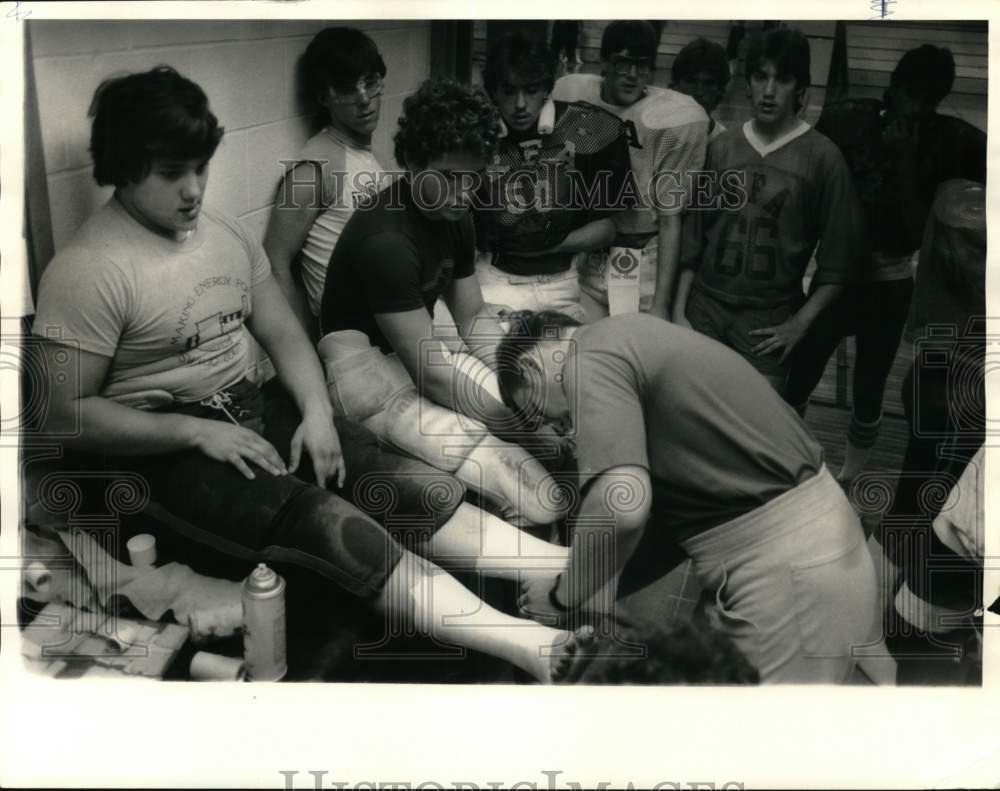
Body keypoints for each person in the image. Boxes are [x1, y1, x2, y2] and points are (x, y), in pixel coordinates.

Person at [30, 66, 584, 683]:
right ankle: (534, 649)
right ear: (123, 166)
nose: (193, 190)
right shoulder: (85, 270)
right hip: (166, 447)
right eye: (170, 174)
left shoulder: (221, 235)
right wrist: (193, 434)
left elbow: (285, 334)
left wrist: (318, 413)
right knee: (333, 525)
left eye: (201, 168)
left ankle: (564, 567)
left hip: (254, 404)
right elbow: (61, 414)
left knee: (396, 480)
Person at [498, 310, 886, 683]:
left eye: (540, 416)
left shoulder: (587, 356)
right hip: (814, 558)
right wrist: (583, 582)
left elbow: (622, 505)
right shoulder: (633, 340)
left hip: (794, 577)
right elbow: (671, 532)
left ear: (532, 367)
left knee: (752, 741)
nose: (560, 431)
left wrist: (564, 596)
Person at [318, 78, 571, 529]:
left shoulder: (455, 213)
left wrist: (522, 387)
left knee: (542, 421)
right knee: (537, 496)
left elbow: (473, 318)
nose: (462, 192)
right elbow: (434, 376)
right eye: (449, 177)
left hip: (415, 352)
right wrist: (521, 425)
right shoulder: (386, 240)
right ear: (413, 162)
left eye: (472, 178)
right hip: (366, 379)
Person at [783, 45, 987, 483]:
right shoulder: (848, 121)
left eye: (925, 100)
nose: (912, 109)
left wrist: (905, 160)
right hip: (837, 275)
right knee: (800, 374)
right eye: (908, 94)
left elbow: (917, 229)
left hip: (889, 279)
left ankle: (850, 477)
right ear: (891, 89)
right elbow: (813, 191)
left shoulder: (949, 142)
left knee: (870, 385)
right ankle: (784, 458)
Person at [675, 27, 864, 395]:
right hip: (704, 307)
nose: (769, 89)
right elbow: (693, 238)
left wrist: (800, 323)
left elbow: (839, 263)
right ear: (747, 83)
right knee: (689, 422)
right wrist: (679, 312)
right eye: (761, 76)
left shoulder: (824, 159)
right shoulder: (722, 147)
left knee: (752, 435)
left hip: (768, 318)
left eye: (783, 79)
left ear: (801, 89)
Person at [553, 20, 709, 320]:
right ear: (605, 63)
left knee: (636, 351)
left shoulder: (675, 117)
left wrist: (662, 304)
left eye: (642, 65)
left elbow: (670, 218)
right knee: (584, 346)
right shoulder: (571, 93)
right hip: (588, 253)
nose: (633, 75)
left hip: (643, 256)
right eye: (623, 63)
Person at [474, 33, 632, 321]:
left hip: (562, 280)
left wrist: (547, 244)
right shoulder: (476, 134)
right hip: (495, 278)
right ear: (493, 92)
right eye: (508, 91)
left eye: (531, 89)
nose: (520, 104)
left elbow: (609, 227)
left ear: (547, 87)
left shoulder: (590, 128)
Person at [263, 27, 392, 339]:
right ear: (324, 97)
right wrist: (308, 348)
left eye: (370, 83)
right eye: (348, 89)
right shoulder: (312, 170)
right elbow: (273, 265)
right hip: (353, 337)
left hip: (394, 321)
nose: (364, 100)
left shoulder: (377, 157)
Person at [671, 37, 731, 142]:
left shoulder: (725, 144)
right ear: (676, 86)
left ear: (720, 90)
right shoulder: (655, 134)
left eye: (708, 83)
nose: (699, 91)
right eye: (691, 81)